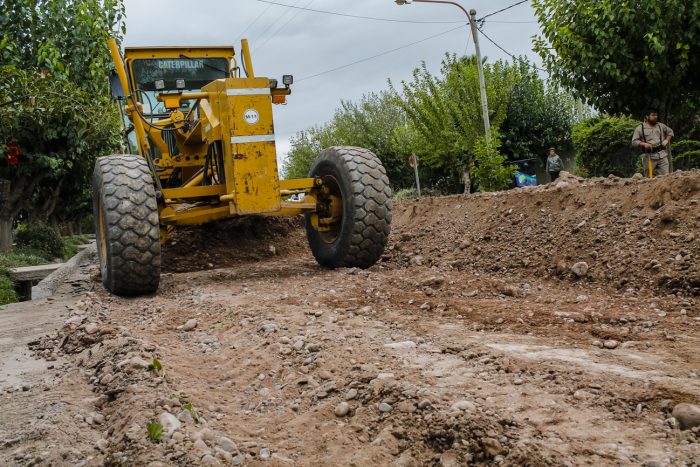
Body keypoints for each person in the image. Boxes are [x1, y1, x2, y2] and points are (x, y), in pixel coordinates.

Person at [631, 109, 674, 177]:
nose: (655, 117)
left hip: (662, 155)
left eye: (656, 115)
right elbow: (634, 142)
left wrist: (666, 140)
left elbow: (670, 132)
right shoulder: (640, 128)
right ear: (647, 116)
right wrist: (644, 144)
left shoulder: (660, 126)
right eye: (653, 115)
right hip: (649, 157)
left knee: (666, 177)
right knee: (649, 178)